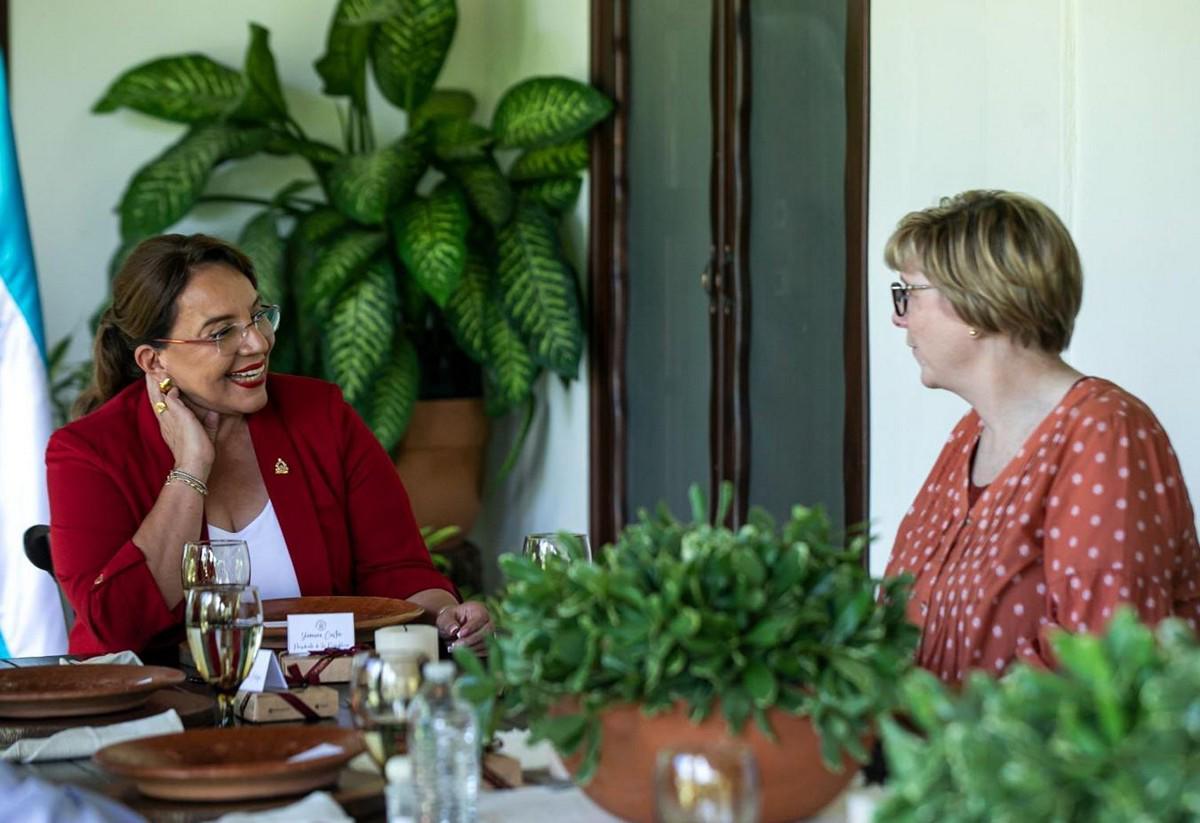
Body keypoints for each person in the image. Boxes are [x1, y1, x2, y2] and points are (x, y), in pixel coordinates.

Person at [47, 234, 492, 658]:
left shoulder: (320, 414)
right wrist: (191, 467)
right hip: (157, 719)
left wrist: (445, 616)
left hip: (320, 697)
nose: (258, 343)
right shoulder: (87, 452)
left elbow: (397, 570)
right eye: (222, 332)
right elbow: (118, 628)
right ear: (154, 359)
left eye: (258, 316)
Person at [884, 190, 1198, 683]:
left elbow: (1100, 667)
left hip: (1020, 761)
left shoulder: (1106, 433)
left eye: (908, 293)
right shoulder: (969, 433)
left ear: (974, 303)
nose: (898, 318)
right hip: (923, 755)